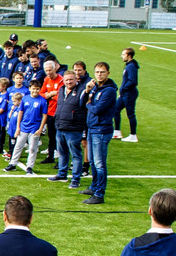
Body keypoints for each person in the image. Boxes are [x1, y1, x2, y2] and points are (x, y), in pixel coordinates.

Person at [81, 61, 117, 205]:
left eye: (102, 72)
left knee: (99, 163)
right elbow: (82, 103)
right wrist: (88, 91)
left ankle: (99, 194)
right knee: (94, 163)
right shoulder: (96, 88)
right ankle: (94, 187)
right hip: (93, 128)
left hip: (101, 130)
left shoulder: (109, 91)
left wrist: (89, 102)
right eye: (97, 72)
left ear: (108, 73)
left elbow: (97, 109)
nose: (99, 74)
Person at [49, 71, 86, 188]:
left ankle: (75, 179)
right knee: (62, 152)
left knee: (75, 155)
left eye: (71, 79)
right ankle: (62, 174)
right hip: (60, 126)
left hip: (74, 128)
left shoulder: (82, 90)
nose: (69, 82)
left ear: (76, 80)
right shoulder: (61, 90)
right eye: (66, 80)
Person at [3, 80, 46, 175]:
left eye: (37, 89)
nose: (35, 91)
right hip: (23, 127)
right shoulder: (25, 99)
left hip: (35, 128)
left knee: (32, 148)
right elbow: (20, 113)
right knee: (18, 146)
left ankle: (30, 166)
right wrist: (18, 127)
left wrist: (40, 129)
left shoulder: (42, 101)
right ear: (30, 89)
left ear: (39, 89)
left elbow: (44, 115)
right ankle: (12, 163)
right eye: (33, 89)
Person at [38, 60, 63, 164]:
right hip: (49, 111)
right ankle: (51, 155)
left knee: (59, 135)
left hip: (59, 112)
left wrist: (50, 95)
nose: (48, 72)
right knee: (51, 134)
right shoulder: (46, 79)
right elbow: (41, 93)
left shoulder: (61, 81)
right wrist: (49, 95)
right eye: (46, 70)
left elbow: (61, 97)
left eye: (50, 70)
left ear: (55, 69)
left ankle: (60, 157)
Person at [114, 47, 139, 142]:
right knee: (115, 109)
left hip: (129, 94)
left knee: (131, 114)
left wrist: (123, 89)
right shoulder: (129, 65)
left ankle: (133, 135)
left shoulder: (131, 66)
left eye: (123, 54)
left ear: (129, 55)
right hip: (125, 93)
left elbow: (133, 81)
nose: (122, 56)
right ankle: (117, 132)